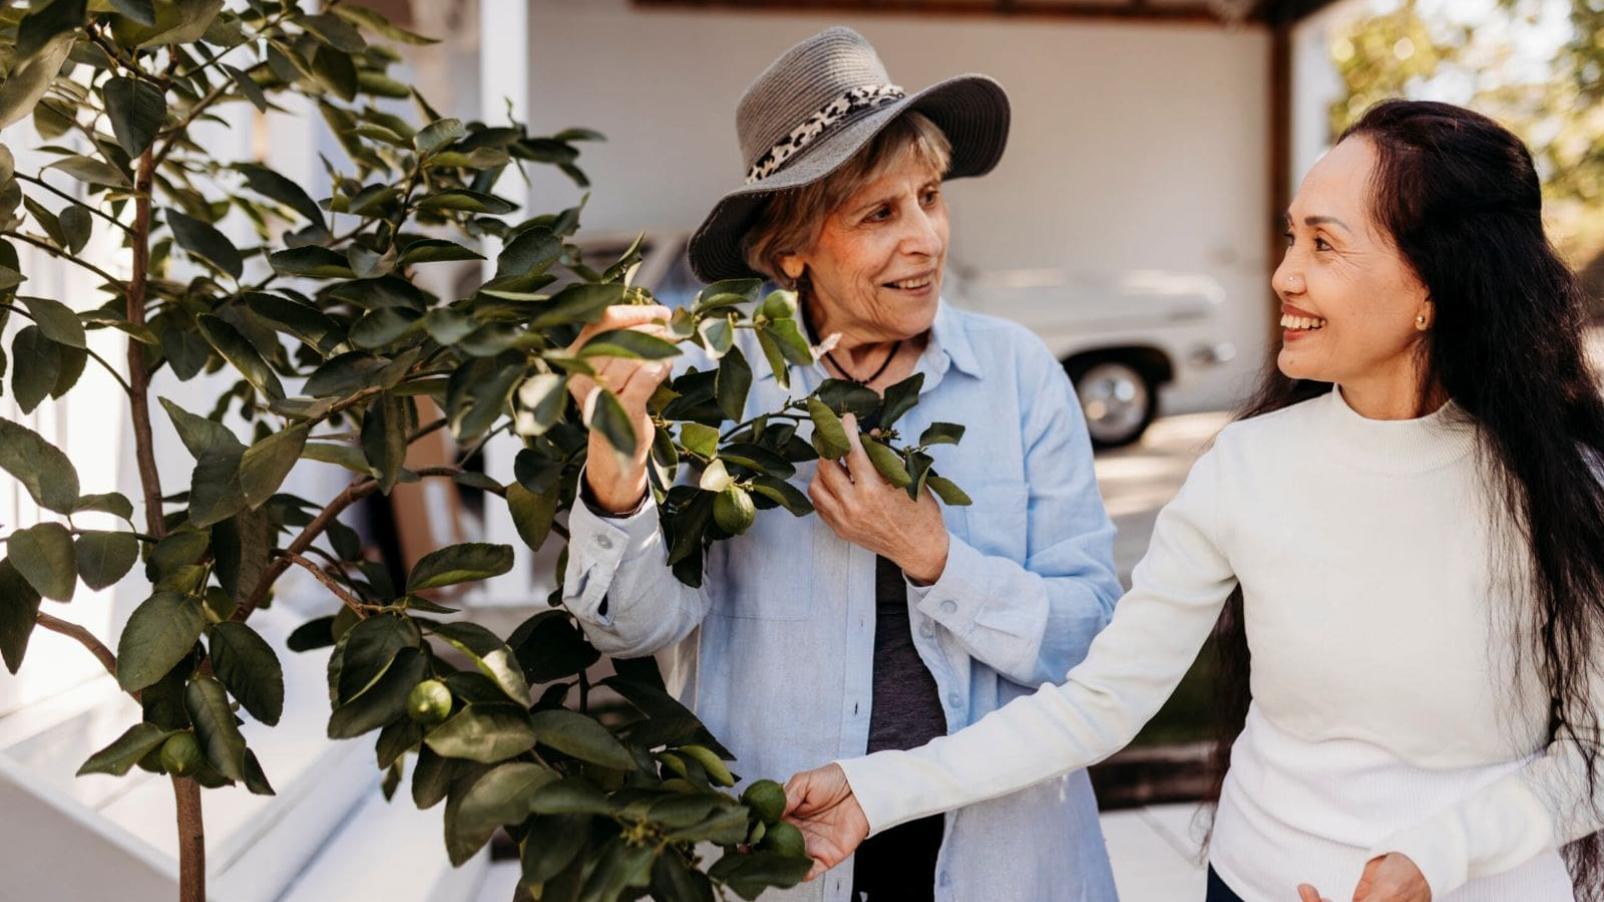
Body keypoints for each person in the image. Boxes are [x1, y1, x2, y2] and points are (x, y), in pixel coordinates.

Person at [783, 99, 1604, 902]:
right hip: (1250, 883)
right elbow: (1099, 704)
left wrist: (1438, 856)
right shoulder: (1247, 466)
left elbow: (1594, 752)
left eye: (1325, 245)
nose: (1285, 274)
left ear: (1433, 284)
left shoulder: (1564, 485)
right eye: (1292, 237)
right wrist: (875, 791)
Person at [561, 26, 1125, 902]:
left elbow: (1091, 639)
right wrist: (616, 459)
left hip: (1002, 855)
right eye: (879, 214)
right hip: (790, 854)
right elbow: (629, 631)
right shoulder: (714, 395)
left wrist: (934, 557)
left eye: (931, 197)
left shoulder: (1018, 378)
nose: (927, 239)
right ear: (791, 250)